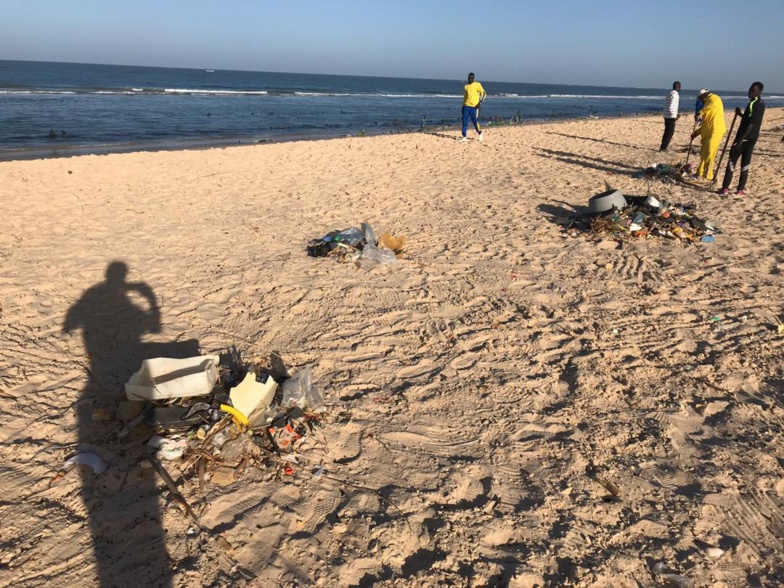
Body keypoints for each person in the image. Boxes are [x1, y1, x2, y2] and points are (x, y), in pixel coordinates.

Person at [719, 82, 765, 196]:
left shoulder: (753, 104)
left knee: (731, 163)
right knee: (745, 164)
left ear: (759, 91)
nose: (750, 92)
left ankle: (725, 188)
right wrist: (740, 114)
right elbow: (749, 119)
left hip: (744, 139)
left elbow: (751, 124)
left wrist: (740, 140)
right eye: (750, 89)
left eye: (753, 90)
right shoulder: (760, 103)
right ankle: (740, 190)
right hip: (752, 139)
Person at [691, 89, 726, 180]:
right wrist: (696, 133)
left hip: (715, 131)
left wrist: (700, 112)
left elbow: (711, 105)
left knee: (709, 154)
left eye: (700, 99)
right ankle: (700, 173)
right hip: (708, 132)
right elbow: (706, 124)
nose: (701, 101)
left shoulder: (714, 98)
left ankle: (708, 175)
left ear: (702, 96)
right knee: (704, 154)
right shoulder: (707, 103)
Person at [461, 72, 486, 142]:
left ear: (473, 78)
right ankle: (464, 136)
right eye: (469, 77)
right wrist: (463, 106)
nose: (470, 79)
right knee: (464, 121)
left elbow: (484, 94)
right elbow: (465, 97)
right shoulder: (466, 86)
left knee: (475, 121)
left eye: (471, 77)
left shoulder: (478, 85)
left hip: (474, 107)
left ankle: (480, 133)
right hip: (466, 106)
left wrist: (480, 103)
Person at [660, 81, 681, 151]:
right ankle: (663, 148)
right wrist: (674, 115)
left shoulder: (670, 93)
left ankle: (663, 146)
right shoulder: (675, 94)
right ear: (678, 86)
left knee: (667, 132)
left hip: (666, 115)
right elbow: (671, 105)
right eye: (679, 86)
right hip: (671, 116)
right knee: (670, 132)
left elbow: (667, 104)